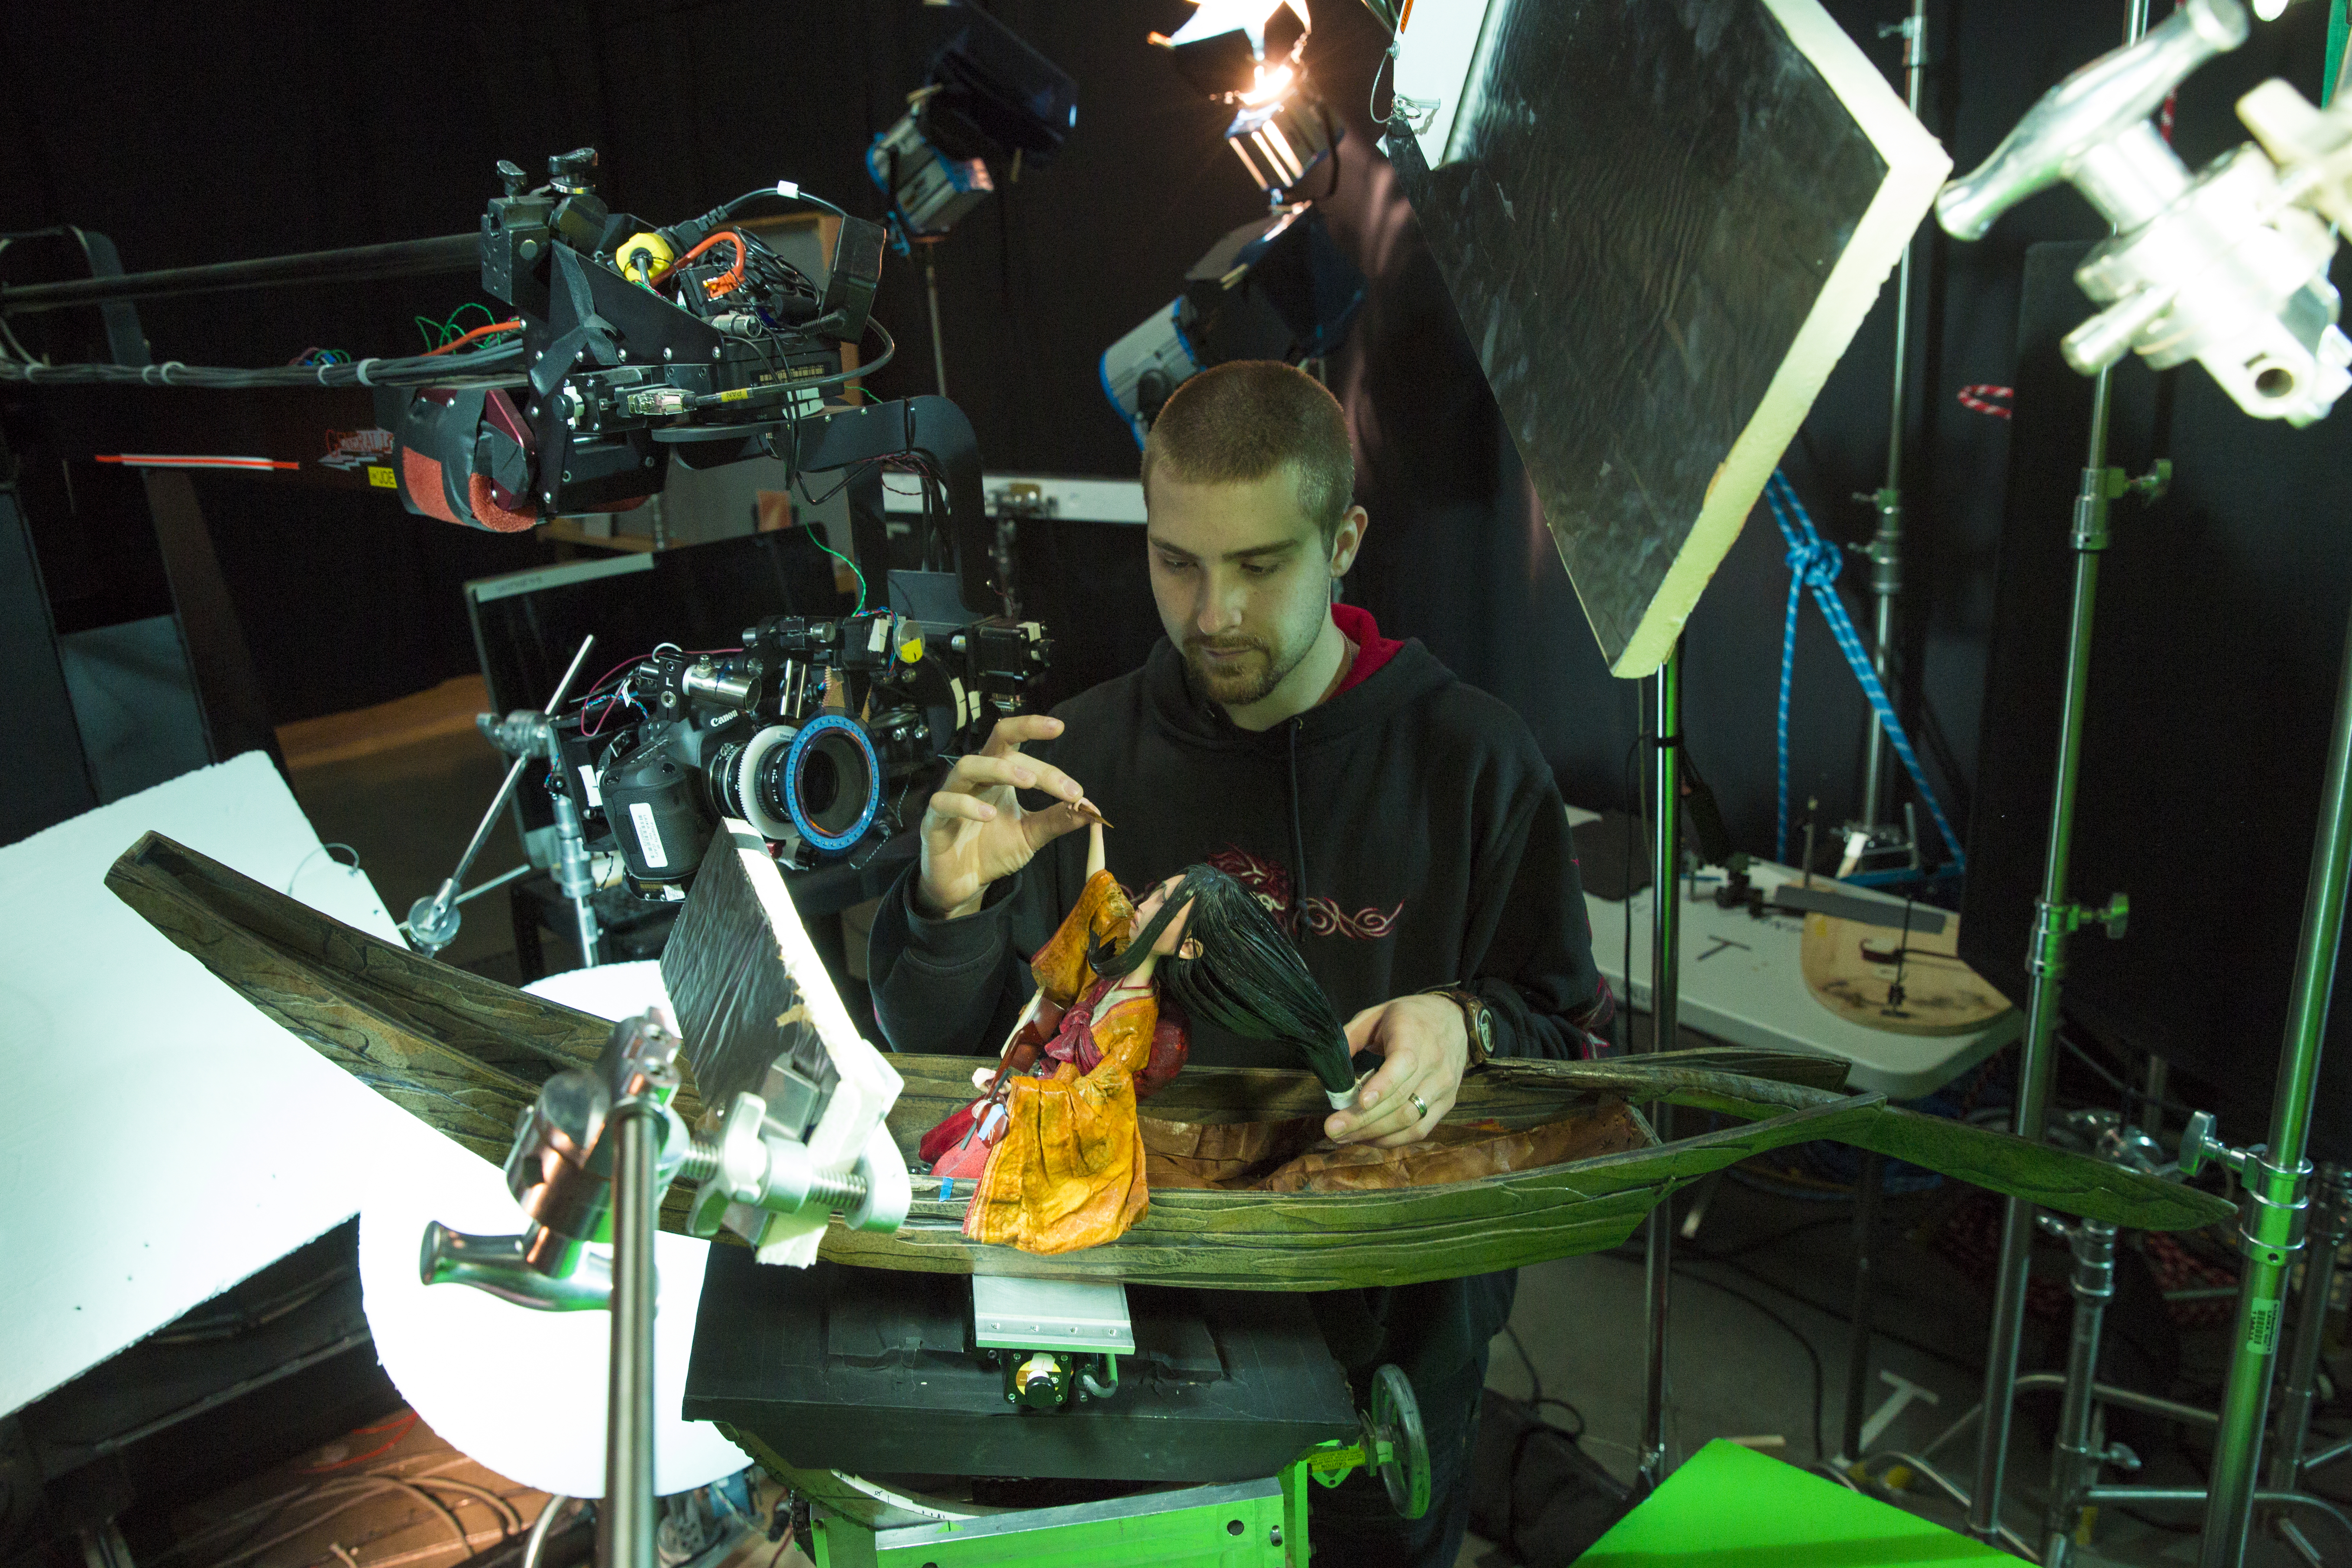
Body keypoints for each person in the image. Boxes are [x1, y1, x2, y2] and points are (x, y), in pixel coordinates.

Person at [867, 359, 1614, 1565]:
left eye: (1261, 565)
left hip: (1392, 1361)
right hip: (1127, 1342)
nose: (1213, 612)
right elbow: (951, 1071)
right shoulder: (1077, 760)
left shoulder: (1469, 761)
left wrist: (1462, 1028)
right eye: (1179, 562)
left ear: (1346, 539)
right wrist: (951, 906)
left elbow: (1571, 1037)